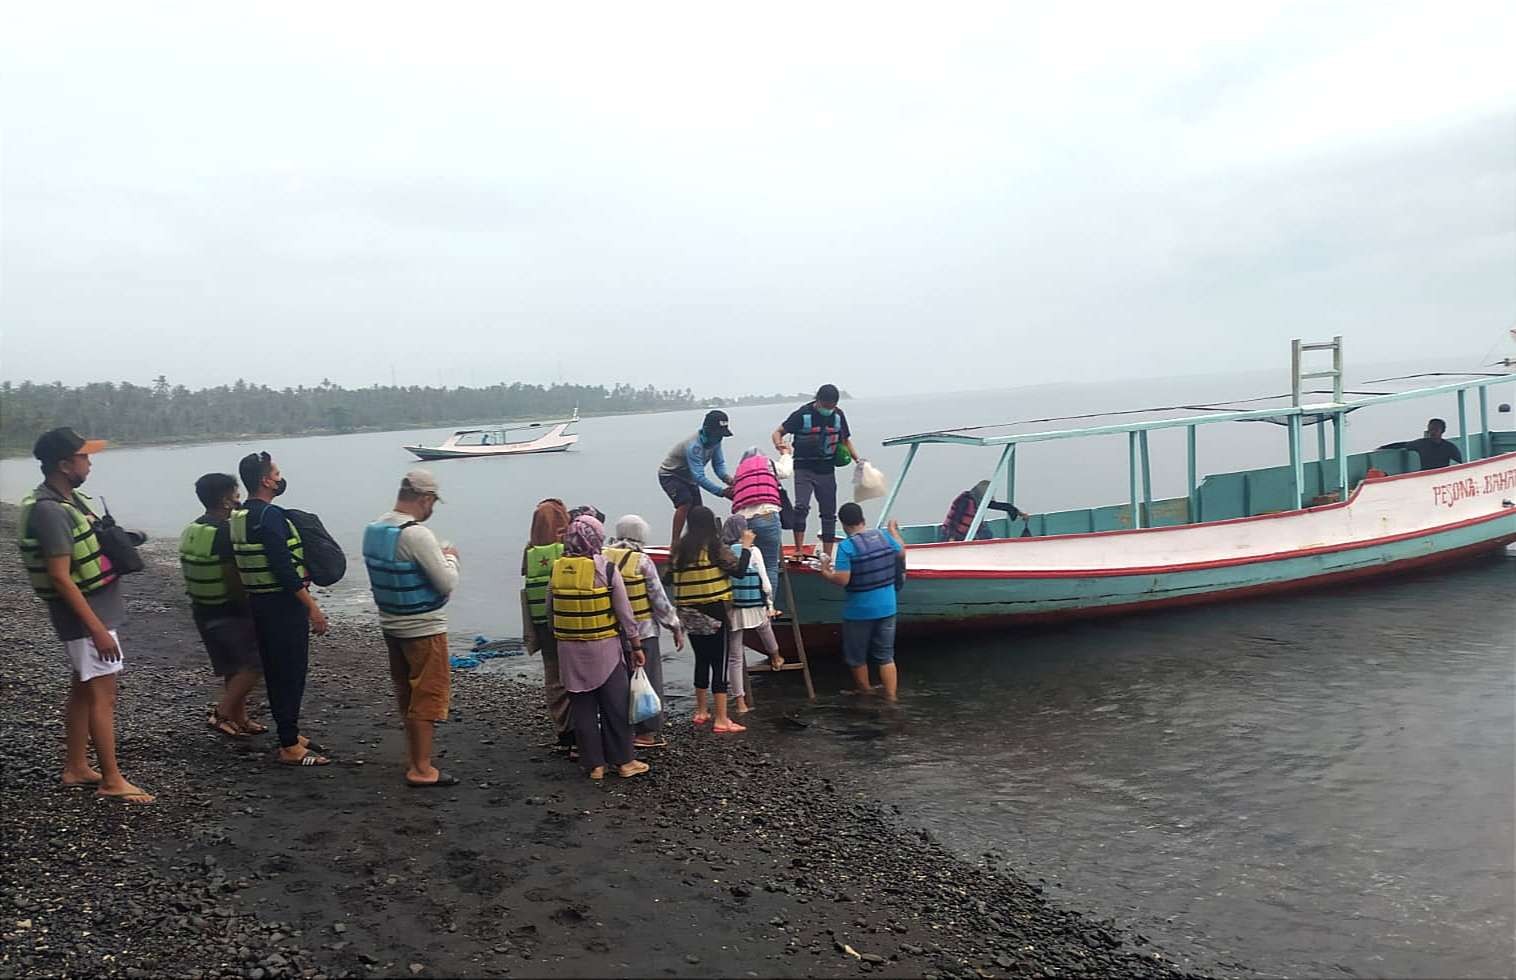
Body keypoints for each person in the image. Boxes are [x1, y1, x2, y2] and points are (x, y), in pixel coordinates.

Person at [17, 428, 153, 803]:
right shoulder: (49, 511)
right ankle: (112, 780)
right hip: (86, 619)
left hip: (92, 616)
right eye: (83, 457)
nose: (89, 462)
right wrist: (97, 631)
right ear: (64, 465)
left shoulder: (68, 500)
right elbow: (60, 577)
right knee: (103, 697)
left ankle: (76, 767)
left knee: (82, 690)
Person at [363, 469, 461, 788]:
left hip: (391, 624)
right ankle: (421, 768)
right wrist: (451, 559)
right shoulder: (417, 534)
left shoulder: (374, 529)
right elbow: (446, 582)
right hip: (423, 628)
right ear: (425, 498)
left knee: (407, 692)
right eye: (432, 502)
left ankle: (416, 758)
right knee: (428, 696)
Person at [231, 451, 330, 767]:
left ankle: (290, 733)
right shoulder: (270, 517)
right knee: (290, 673)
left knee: (277, 671)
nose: (279, 478)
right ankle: (289, 745)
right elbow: (283, 569)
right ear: (265, 480)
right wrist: (313, 608)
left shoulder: (240, 516)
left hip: (260, 605)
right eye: (276, 474)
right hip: (282, 608)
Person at [547, 515, 650, 780]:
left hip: (569, 651)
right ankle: (625, 762)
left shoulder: (557, 569)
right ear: (595, 538)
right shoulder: (605, 568)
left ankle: (594, 765)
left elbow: (550, 612)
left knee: (583, 709)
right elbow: (625, 613)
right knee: (616, 706)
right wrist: (636, 645)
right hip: (605, 650)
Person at [180, 472, 265, 738]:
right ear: (226, 500)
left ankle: (240, 718)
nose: (239, 499)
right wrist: (253, 602)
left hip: (203, 609)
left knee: (233, 666)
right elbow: (233, 576)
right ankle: (222, 714)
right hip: (230, 612)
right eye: (236, 494)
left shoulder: (193, 529)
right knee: (255, 664)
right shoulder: (225, 533)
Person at [671, 506, 754, 733]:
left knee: (701, 659)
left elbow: (668, 578)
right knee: (720, 662)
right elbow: (739, 570)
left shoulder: (679, 549)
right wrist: (746, 547)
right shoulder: (715, 546)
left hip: (688, 613)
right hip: (714, 610)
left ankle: (701, 711)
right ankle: (721, 719)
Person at [604, 515, 685, 748]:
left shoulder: (602, 556)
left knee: (619, 683)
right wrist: (675, 626)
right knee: (647, 681)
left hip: (611, 632)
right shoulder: (642, 561)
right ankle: (645, 733)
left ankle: (620, 730)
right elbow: (658, 599)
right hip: (643, 632)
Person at [818, 503, 906, 701]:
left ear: (843, 524)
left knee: (857, 657)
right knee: (886, 656)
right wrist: (893, 530)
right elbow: (901, 552)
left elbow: (843, 579)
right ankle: (891, 697)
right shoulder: (883, 537)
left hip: (859, 611)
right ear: (863, 519)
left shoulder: (847, 547)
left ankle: (866, 692)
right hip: (887, 607)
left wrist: (825, 572)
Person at [772, 384, 859, 558]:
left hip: (826, 470)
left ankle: (827, 554)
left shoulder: (838, 416)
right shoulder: (802, 415)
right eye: (825, 406)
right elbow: (778, 432)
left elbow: (846, 440)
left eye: (831, 407)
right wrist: (779, 445)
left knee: (828, 513)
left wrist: (858, 460)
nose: (828, 410)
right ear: (817, 401)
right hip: (804, 468)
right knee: (801, 507)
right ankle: (798, 549)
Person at [522, 498, 574, 754]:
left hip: (541, 623)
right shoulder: (566, 547)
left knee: (553, 676)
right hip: (566, 621)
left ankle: (564, 730)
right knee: (574, 675)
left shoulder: (529, 550)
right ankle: (580, 729)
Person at [721, 515, 783, 716]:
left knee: (735, 656)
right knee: (765, 628)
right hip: (754, 605)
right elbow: (765, 581)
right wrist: (770, 604)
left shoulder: (724, 552)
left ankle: (740, 702)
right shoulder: (754, 551)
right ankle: (775, 657)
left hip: (733, 609)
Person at [658, 410, 735, 548]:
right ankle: (675, 543)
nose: (719, 438)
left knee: (698, 512)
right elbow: (698, 476)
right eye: (717, 434)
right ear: (707, 430)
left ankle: (697, 543)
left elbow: (718, 464)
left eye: (721, 435)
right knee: (685, 502)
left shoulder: (716, 441)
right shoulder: (694, 446)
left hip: (689, 479)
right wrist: (722, 492)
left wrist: (728, 479)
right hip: (671, 475)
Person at [730, 447, 785, 607]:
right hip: (767, 515)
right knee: (770, 565)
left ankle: (745, 605)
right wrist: (786, 454)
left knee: (747, 563)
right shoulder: (768, 464)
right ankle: (769, 607)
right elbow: (787, 471)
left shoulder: (740, 473)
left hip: (744, 522)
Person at [939, 480, 1027, 541]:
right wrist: (951, 537)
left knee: (986, 533)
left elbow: (1001, 506)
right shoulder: (965, 499)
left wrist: (1020, 513)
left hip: (968, 533)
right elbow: (955, 519)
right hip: (953, 534)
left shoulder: (979, 500)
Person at [1379, 418, 1464, 470]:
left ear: (1442, 431)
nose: (1432, 432)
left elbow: (1462, 463)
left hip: (1441, 476)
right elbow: (1403, 444)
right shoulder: (1421, 443)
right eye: (1431, 429)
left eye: (1435, 429)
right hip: (1425, 475)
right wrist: (1383, 447)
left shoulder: (1449, 447)